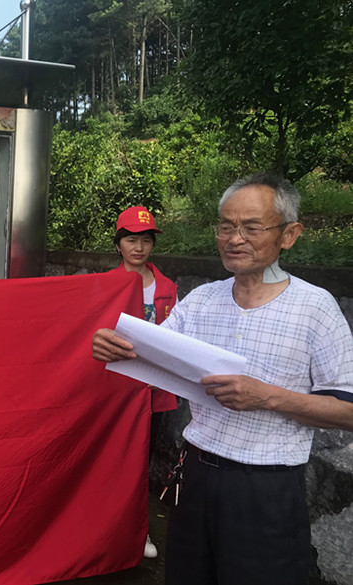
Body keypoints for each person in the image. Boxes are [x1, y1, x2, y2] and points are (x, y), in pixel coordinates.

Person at [92, 173, 353, 585]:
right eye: (226, 226)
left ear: (289, 235)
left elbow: (347, 411)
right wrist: (114, 345)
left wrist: (267, 397)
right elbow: (152, 353)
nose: (235, 239)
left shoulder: (315, 308)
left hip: (265, 489)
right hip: (195, 475)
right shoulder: (201, 301)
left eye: (252, 227)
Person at [111, 206, 178, 558]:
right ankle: (107, 527)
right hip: (115, 391)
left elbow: (177, 340)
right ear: (118, 245)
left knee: (141, 461)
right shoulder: (104, 285)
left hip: (153, 392)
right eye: (131, 240)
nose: (139, 248)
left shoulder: (168, 289)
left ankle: (140, 531)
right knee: (111, 459)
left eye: (146, 240)